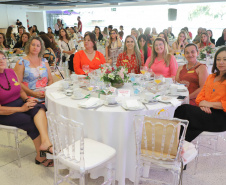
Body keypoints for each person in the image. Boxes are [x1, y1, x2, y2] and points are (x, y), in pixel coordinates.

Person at [0, 51, 54, 167]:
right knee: (29, 121)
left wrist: (26, 100)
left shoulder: (10, 72)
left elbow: (19, 90)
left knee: (39, 107)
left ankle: (45, 142)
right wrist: (22, 109)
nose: (1, 60)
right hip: (4, 112)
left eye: (3, 57)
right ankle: (40, 156)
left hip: (19, 102)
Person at [174, 46, 226, 142]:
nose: (221, 62)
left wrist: (208, 104)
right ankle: (180, 145)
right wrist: (202, 103)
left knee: (184, 111)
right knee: (185, 120)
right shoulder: (212, 77)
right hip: (207, 111)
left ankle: (177, 145)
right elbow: (200, 96)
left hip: (222, 117)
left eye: (224, 59)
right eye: (218, 59)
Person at [14, 36, 53, 102]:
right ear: (29, 46)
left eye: (38, 46)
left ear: (41, 48)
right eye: (33, 45)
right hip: (29, 97)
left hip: (46, 96)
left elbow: (50, 80)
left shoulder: (44, 61)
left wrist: (47, 92)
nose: (35, 47)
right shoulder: (21, 62)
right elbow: (18, 83)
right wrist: (33, 94)